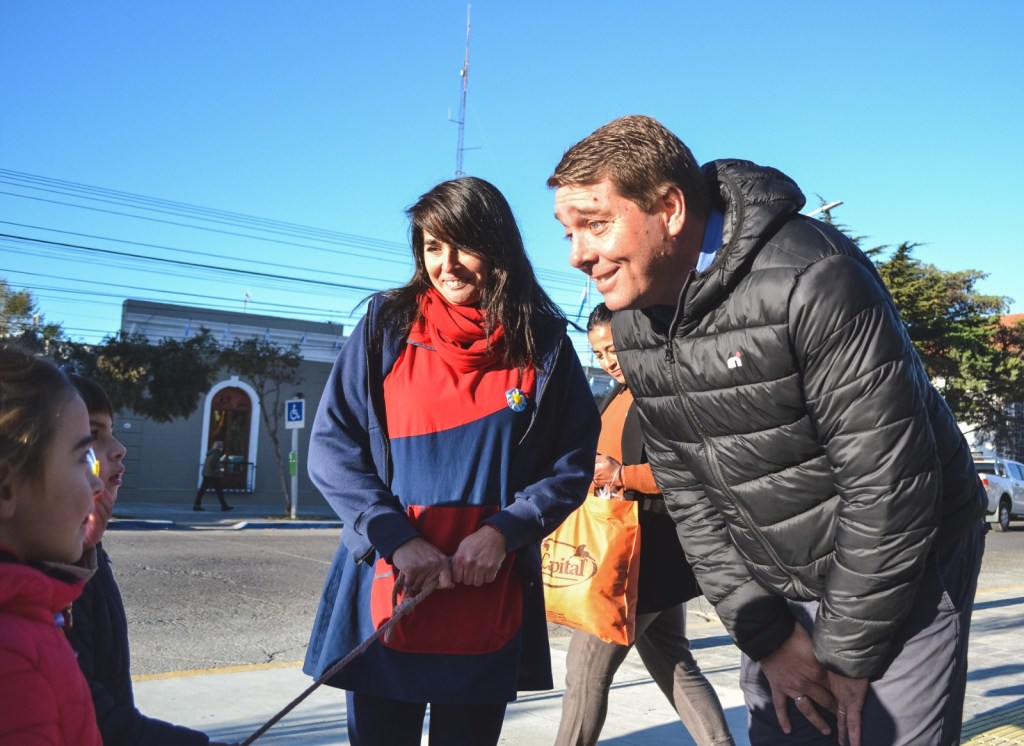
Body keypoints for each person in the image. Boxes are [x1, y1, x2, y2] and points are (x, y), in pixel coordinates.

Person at [549, 115, 987, 746]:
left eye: (595, 223)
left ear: (670, 209)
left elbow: (888, 482)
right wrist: (770, 639)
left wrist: (846, 654)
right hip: (779, 583)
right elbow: (692, 499)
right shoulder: (634, 326)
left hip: (905, 567)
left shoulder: (813, 276)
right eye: (568, 232)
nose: (577, 254)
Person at [303, 176, 600, 746]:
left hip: (487, 591)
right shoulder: (385, 327)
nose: (448, 264)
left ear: (499, 247)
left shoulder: (545, 344)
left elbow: (570, 463)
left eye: (464, 245)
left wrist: (504, 533)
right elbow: (332, 446)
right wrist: (394, 536)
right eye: (432, 247)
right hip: (388, 588)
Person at [555, 303, 734, 746]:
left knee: (585, 672)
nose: (609, 361)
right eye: (599, 354)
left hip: (649, 551)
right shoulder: (617, 394)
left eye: (614, 348)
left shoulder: (666, 392)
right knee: (673, 661)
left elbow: (694, 469)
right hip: (633, 546)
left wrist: (620, 475)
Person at [67, 374, 227, 745]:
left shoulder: (83, 552)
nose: (119, 447)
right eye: (92, 435)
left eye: (110, 429)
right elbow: (92, 718)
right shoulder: (46, 571)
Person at [0, 345, 103, 744]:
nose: (95, 483)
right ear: (5, 488)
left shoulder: (28, 617)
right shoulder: (11, 662)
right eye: (82, 459)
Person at [193, 440, 232, 511]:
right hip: (212, 475)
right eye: (222, 447)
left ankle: (197, 505)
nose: (222, 448)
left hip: (208, 474)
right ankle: (224, 506)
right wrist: (217, 469)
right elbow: (214, 462)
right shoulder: (216, 453)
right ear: (219, 447)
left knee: (204, 490)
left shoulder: (211, 453)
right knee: (218, 490)